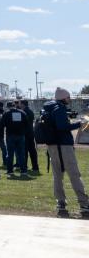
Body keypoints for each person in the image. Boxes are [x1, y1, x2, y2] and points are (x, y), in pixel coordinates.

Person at [44, 88, 89, 218]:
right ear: (63, 98)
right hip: (63, 146)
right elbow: (62, 127)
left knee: (57, 175)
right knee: (74, 174)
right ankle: (84, 203)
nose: (69, 99)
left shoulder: (49, 107)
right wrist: (78, 124)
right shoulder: (59, 108)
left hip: (52, 146)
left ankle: (61, 202)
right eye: (68, 97)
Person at [2, 101, 29, 176]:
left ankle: (10, 170)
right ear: (14, 105)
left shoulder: (6, 113)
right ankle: (23, 170)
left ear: (8, 106)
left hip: (10, 135)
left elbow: (2, 124)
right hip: (21, 135)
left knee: (10, 154)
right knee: (21, 154)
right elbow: (27, 124)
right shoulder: (22, 112)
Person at [20, 99, 39, 173]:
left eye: (20, 104)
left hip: (25, 133)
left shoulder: (23, 112)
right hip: (31, 133)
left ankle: (24, 167)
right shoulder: (30, 111)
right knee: (32, 151)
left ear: (23, 104)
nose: (19, 105)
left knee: (24, 151)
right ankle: (35, 167)